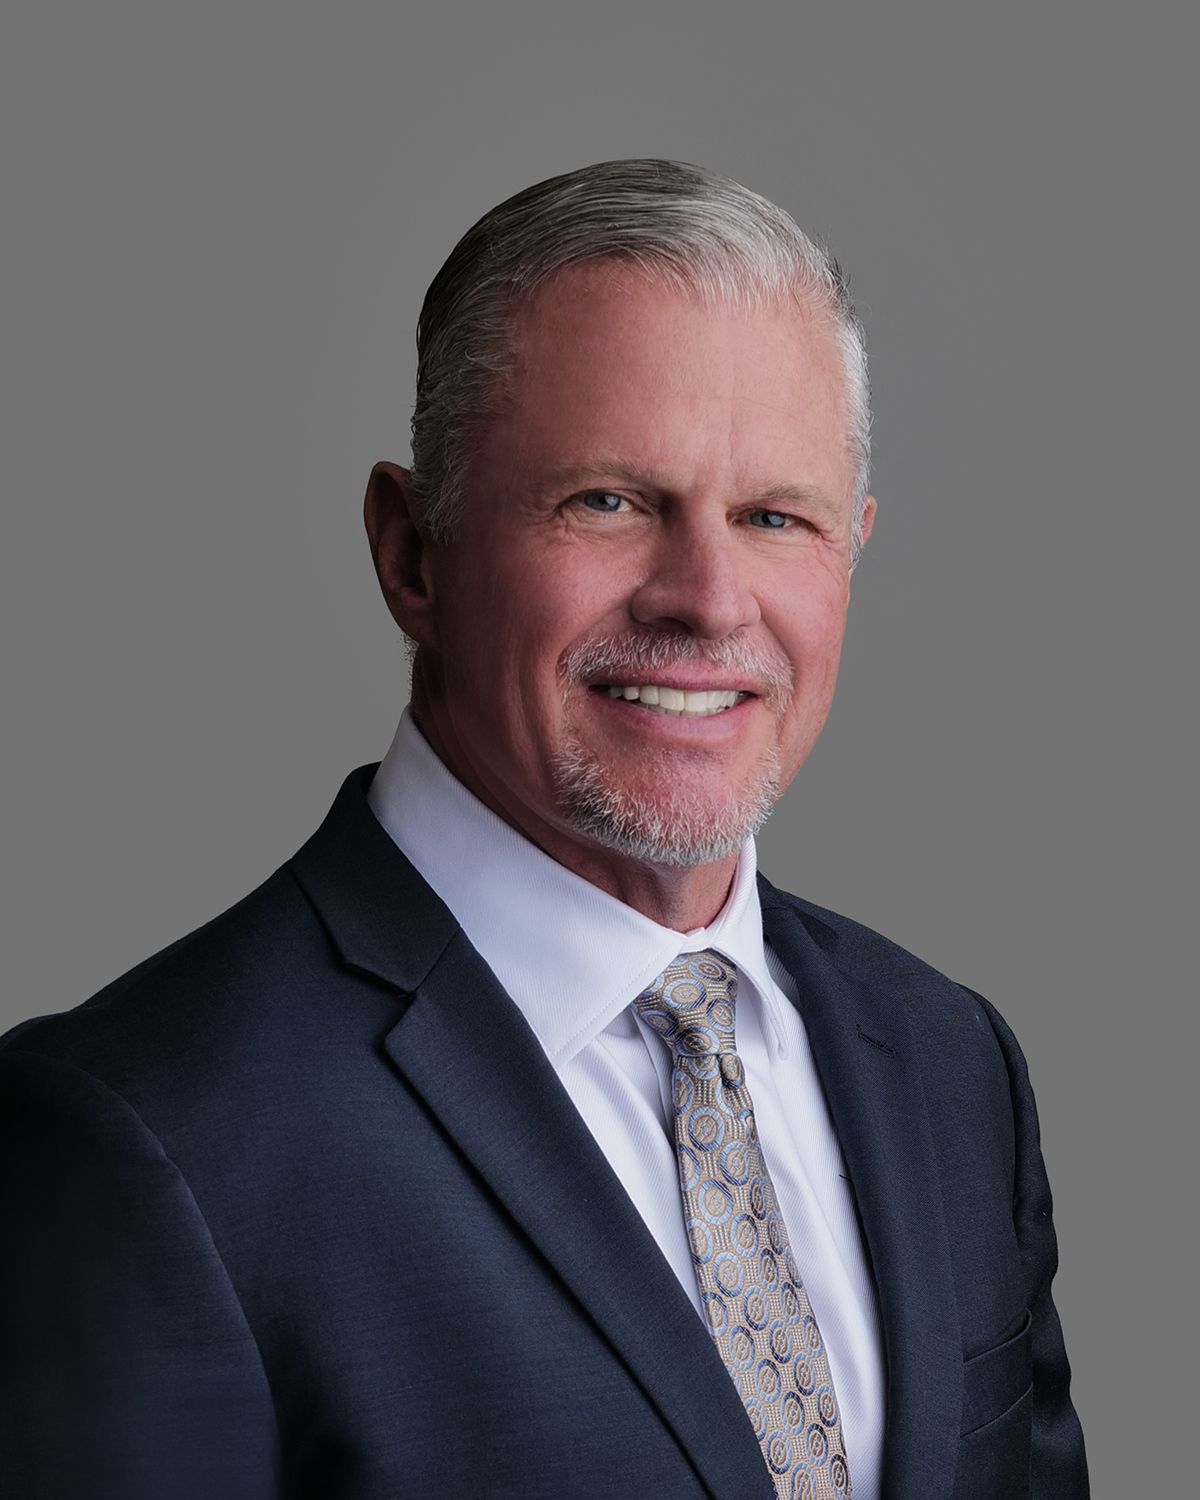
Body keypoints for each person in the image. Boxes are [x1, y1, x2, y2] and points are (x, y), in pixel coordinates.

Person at [0, 159, 1087, 1500]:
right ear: (414, 553)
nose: (707, 598)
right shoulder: (144, 1138)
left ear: (850, 550)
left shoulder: (948, 1062)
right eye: (610, 501)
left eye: (773, 517)